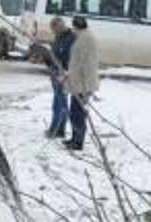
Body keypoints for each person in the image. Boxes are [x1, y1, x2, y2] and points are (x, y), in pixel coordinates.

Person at [62, 15, 99, 151]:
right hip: (80, 82)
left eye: (74, 26)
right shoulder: (85, 37)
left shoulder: (85, 40)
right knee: (75, 112)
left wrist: (83, 85)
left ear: (76, 26)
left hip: (83, 84)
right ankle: (75, 138)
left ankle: (78, 141)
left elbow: (85, 64)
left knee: (77, 113)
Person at [45, 16, 75, 139]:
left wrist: (63, 70)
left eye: (54, 29)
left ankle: (57, 129)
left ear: (60, 26)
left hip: (64, 75)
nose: (53, 32)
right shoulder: (60, 37)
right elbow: (55, 54)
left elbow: (68, 57)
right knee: (57, 102)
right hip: (56, 73)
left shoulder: (71, 39)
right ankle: (57, 128)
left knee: (60, 103)